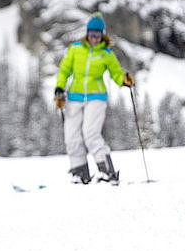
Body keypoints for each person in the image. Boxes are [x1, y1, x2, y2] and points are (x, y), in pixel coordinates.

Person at [54, 12, 134, 185]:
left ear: (102, 35)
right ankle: (80, 173)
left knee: (91, 134)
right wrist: (59, 89)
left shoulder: (106, 54)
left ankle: (107, 172)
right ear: (87, 33)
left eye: (98, 36)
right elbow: (64, 70)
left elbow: (117, 73)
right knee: (71, 136)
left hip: (96, 97)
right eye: (92, 35)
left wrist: (124, 79)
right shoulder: (76, 49)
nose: (95, 39)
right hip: (74, 97)